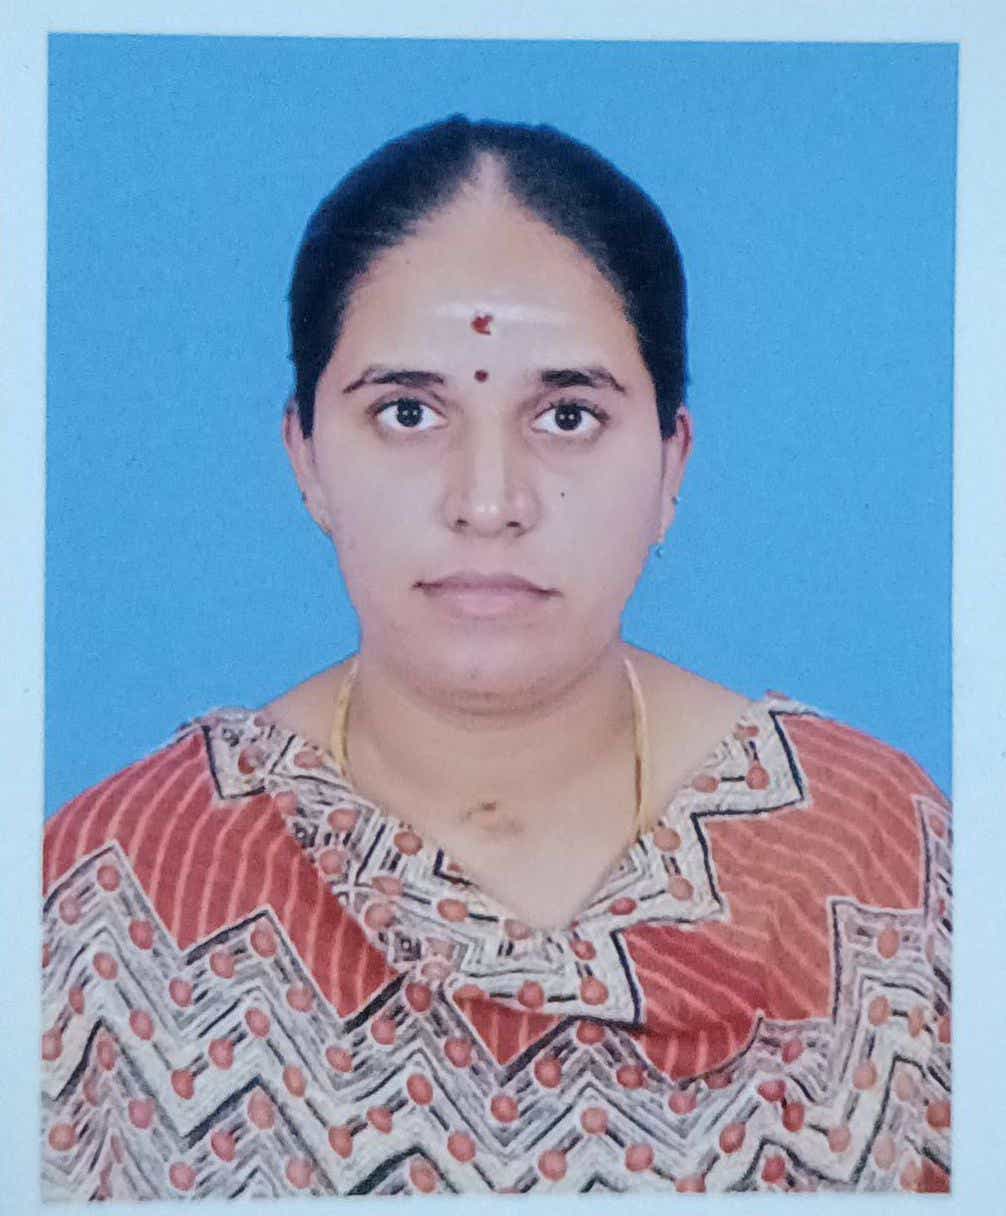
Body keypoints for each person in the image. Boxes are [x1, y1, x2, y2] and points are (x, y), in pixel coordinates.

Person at [41, 115, 951, 1199]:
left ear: (672, 463)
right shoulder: (117, 891)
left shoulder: (871, 855)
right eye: (407, 411)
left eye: (567, 416)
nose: (488, 502)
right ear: (307, 457)